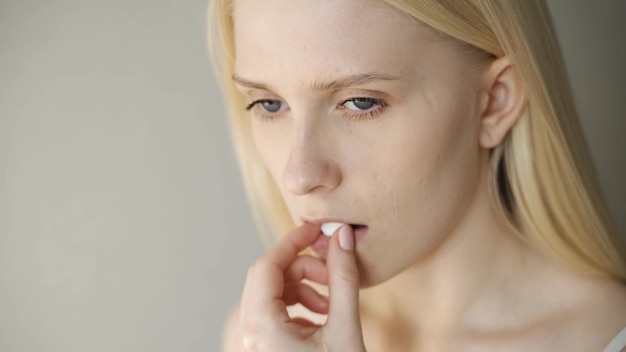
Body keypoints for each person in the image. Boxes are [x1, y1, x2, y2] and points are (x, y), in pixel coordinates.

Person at [208, 0, 626, 350]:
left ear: (495, 102)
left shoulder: (606, 334)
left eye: (359, 102)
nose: (299, 176)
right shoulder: (264, 338)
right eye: (269, 105)